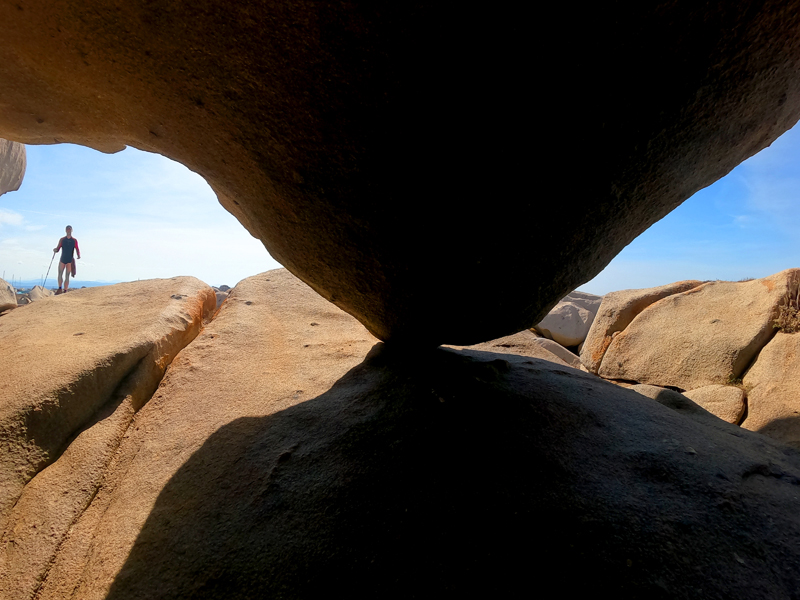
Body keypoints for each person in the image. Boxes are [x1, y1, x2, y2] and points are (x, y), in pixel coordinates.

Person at [53, 225, 80, 294]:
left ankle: (65, 290)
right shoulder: (62, 239)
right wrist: (55, 250)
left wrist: (78, 255)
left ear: (71, 230)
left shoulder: (74, 240)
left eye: (69, 229)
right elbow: (58, 248)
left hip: (69, 260)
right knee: (60, 274)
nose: (68, 230)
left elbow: (77, 248)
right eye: (67, 229)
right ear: (66, 230)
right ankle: (60, 288)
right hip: (63, 259)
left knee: (66, 275)